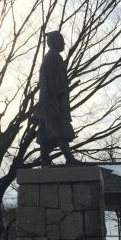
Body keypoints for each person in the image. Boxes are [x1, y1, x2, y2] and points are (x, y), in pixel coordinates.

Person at [33, 31, 78, 166]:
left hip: (46, 101)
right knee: (60, 129)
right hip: (53, 101)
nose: (63, 43)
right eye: (61, 40)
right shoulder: (54, 57)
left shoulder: (49, 57)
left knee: (46, 131)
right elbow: (56, 82)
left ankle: (45, 158)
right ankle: (69, 157)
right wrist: (60, 96)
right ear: (53, 42)